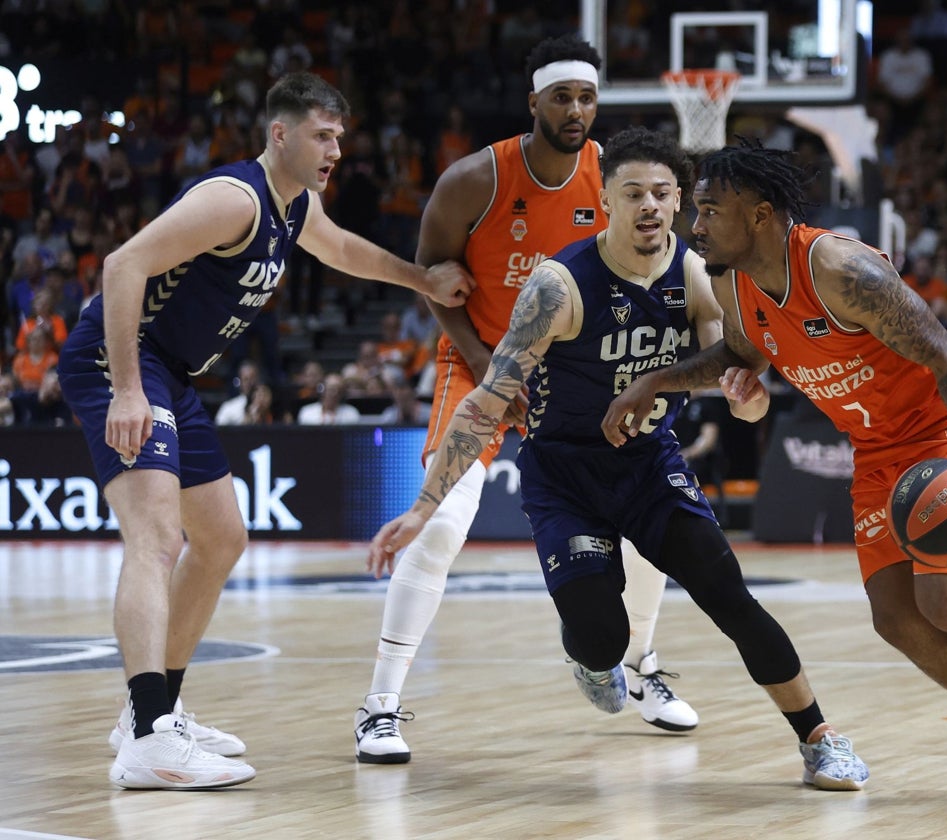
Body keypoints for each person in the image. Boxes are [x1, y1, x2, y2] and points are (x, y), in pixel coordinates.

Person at [601, 141, 947, 806]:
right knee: (898, 619)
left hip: (946, 425)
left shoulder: (842, 270)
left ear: (760, 216)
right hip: (876, 447)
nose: (692, 225)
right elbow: (741, 348)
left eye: (708, 210)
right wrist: (658, 384)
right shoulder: (730, 278)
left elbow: (946, 358)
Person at [368, 126, 870, 789]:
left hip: (647, 465)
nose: (650, 206)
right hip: (564, 475)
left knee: (729, 595)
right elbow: (486, 402)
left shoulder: (696, 274)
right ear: (604, 200)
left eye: (662, 193)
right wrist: (421, 509)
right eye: (632, 192)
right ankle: (595, 657)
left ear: (681, 201)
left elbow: (740, 389)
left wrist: (745, 396)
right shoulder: (559, 285)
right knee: (601, 636)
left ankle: (819, 739)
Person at [56, 71, 473, 791]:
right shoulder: (234, 199)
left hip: (172, 375)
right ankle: (150, 735)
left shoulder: (296, 205)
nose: (335, 148)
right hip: (119, 363)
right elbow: (122, 265)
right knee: (157, 539)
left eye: (340, 136)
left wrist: (421, 279)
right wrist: (126, 386)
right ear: (279, 134)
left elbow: (342, 250)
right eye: (321, 134)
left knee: (221, 538)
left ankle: (151, 713)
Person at [352, 35, 700, 765]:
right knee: (443, 523)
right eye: (563, 96)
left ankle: (640, 669)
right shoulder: (473, 180)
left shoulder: (617, 178)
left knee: (649, 520)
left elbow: (655, 263)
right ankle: (380, 706)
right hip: (478, 359)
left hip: (578, 374)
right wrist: (485, 364)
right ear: (533, 101)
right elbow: (431, 278)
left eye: (588, 97)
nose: (577, 110)